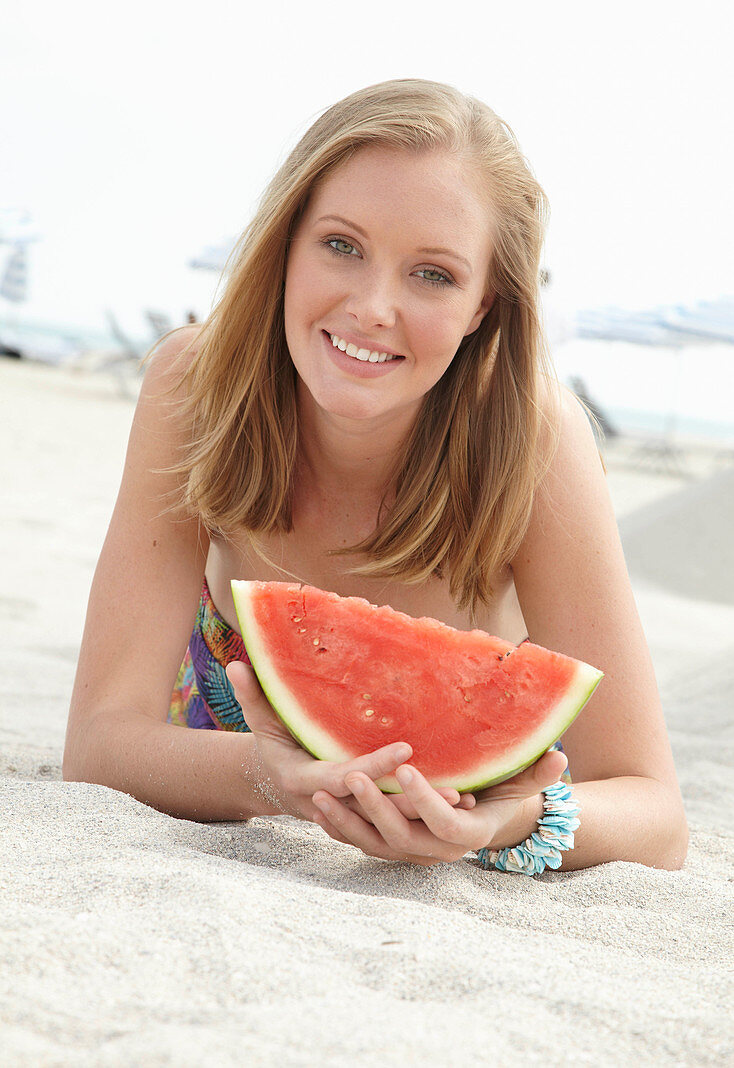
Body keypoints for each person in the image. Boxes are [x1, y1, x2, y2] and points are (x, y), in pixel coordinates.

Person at [63, 79, 688, 874]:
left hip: (479, 801)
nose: (371, 307)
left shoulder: (537, 440)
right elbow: (99, 740)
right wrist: (270, 775)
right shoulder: (195, 386)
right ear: (286, 241)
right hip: (230, 767)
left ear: (484, 306)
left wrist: (505, 823)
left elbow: (654, 812)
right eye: (341, 245)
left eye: (433, 274)